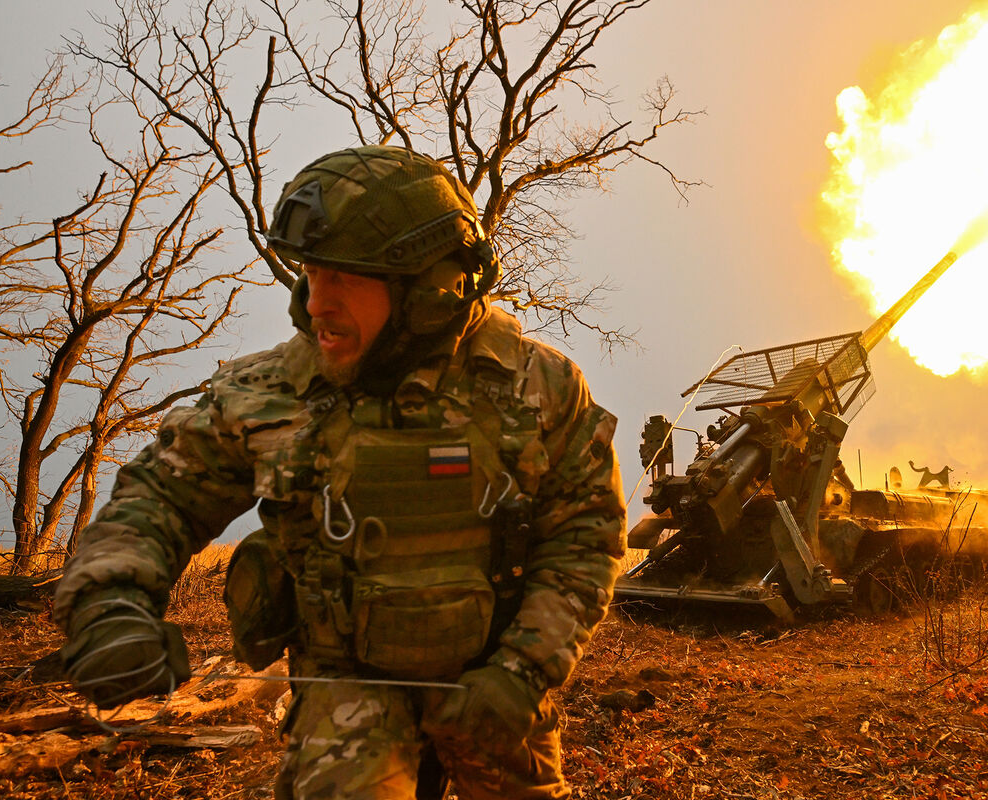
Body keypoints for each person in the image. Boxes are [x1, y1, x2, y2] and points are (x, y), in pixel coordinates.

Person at [52, 145, 628, 800]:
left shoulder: (537, 386)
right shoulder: (272, 390)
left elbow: (586, 536)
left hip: (497, 679)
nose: (315, 304)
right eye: (310, 272)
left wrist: (523, 670)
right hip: (345, 687)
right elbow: (160, 497)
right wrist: (110, 603)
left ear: (430, 288)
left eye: (345, 279)